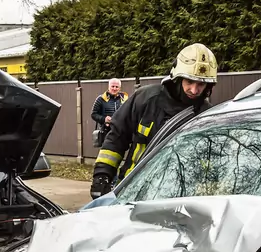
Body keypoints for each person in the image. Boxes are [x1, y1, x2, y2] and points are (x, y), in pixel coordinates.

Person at [90, 44, 217, 199]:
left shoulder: (206, 115)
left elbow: (209, 161)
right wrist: (102, 177)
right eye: (189, 81)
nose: (194, 90)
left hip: (180, 198)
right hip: (133, 191)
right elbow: (117, 137)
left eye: (201, 84)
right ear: (177, 78)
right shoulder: (145, 99)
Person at [89, 78, 128, 149]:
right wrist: (104, 119)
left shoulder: (125, 99)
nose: (114, 88)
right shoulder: (101, 99)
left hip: (121, 132)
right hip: (106, 132)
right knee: (107, 154)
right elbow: (93, 114)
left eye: (117, 87)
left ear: (119, 88)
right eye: (112, 86)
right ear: (108, 87)